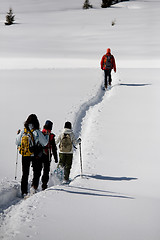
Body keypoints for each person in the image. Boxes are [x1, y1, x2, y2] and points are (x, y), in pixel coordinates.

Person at [16, 114, 49, 197]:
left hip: (25, 154)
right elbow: (45, 143)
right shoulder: (37, 132)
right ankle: (33, 188)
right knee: (36, 172)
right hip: (35, 155)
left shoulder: (24, 131)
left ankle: (24, 191)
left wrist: (18, 134)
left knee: (25, 173)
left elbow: (17, 142)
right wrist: (47, 135)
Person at [40, 120, 58, 190]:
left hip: (39, 155)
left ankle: (34, 184)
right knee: (46, 170)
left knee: (38, 170)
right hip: (47, 155)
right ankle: (44, 184)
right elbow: (54, 148)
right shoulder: (51, 136)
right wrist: (56, 158)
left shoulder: (40, 133)